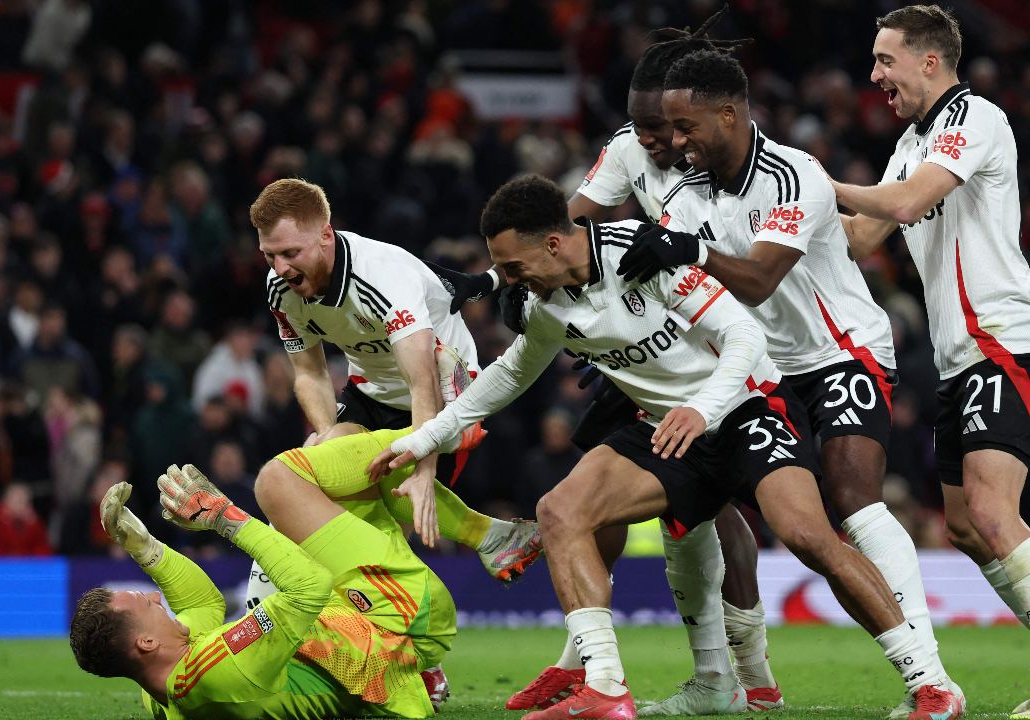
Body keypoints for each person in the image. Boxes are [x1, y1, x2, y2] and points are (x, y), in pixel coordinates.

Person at [373, 175, 964, 720]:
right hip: (664, 430)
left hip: (742, 409)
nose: (508, 277)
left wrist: (701, 409)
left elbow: (743, 335)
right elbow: (509, 375)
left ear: (554, 243)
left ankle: (930, 682)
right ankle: (604, 686)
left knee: (810, 537)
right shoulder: (543, 303)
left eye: (512, 264)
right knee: (561, 511)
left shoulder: (640, 254)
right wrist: (422, 438)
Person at [430, 14, 783, 713]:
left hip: (718, 337)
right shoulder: (627, 151)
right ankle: (586, 663)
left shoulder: (730, 162)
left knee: (722, 513)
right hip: (636, 342)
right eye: (646, 128)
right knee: (590, 497)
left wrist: (679, 253)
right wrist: (510, 283)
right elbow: (559, 225)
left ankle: (747, 670)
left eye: (665, 129)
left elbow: (749, 269)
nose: (658, 143)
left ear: (694, 117)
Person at [609, 38, 950, 719]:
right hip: (757, 370)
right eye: (669, 128)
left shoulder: (796, 175)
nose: (674, 142)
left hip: (840, 353)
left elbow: (761, 280)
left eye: (686, 126)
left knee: (852, 502)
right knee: (693, 507)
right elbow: (665, 273)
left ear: (729, 114)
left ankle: (930, 675)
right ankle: (732, 679)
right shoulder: (685, 194)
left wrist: (689, 248)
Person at [825, 5, 1030, 717]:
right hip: (959, 359)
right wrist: (785, 198)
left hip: (1002, 340)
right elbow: (863, 236)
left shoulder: (974, 117)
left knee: (989, 508)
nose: (874, 75)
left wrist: (819, 179)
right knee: (959, 524)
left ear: (930, 60)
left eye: (884, 60)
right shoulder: (910, 142)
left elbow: (913, 199)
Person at [249, 177, 541, 608]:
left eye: (291, 253)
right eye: (270, 255)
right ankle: (494, 536)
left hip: (442, 394)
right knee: (332, 490)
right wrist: (330, 441)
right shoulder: (281, 288)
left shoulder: (382, 278)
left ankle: (426, 652)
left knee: (380, 534)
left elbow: (422, 380)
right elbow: (309, 373)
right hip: (370, 389)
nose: (281, 268)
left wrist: (424, 471)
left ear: (326, 236)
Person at [70, 448, 455, 719]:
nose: (157, 596)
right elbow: (309, 587)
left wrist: (147, 549)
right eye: (146, 603)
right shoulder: (219, 669)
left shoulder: (160, 689)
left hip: (358, 626)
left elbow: (204, 606)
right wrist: (223, 515)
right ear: (146, 643)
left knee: (332, 454)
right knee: (282, 479)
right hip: (400, 624)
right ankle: (483, 529)